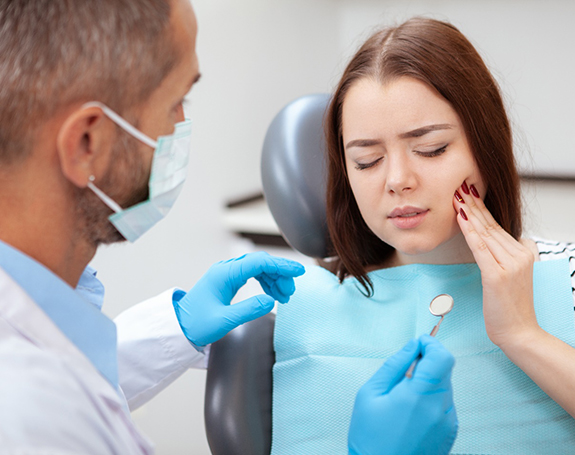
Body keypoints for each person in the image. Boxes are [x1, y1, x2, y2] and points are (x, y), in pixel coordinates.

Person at [0, 1, 456, 454]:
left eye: (433, 148)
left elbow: (80, 376)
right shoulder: (32, 417)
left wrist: (176, 328)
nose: (398, 180)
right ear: (87, 143)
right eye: (177, 101)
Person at [271, 17, 575, 455]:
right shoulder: (292, 308)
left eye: (431, 149)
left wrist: (524, 335)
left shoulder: (564, 275)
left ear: (485, 147)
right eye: (367, 160)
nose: (397, 179)